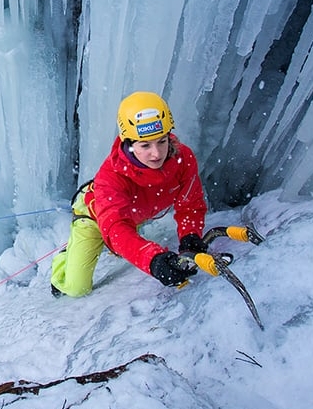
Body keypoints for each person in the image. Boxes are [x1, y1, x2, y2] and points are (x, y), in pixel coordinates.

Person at [50, 91, 208, 297]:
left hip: (133, 213)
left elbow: (191, 205)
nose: (157, 153)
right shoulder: (110, 177)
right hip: (93, 218)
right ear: (129, 143)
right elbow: (116, 229)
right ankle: (64, 260)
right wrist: (153, 261)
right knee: (76, 289)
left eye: (162, 141)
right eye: (145, 145)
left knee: (127, 236)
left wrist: (190, 236)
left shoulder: (183, 158)